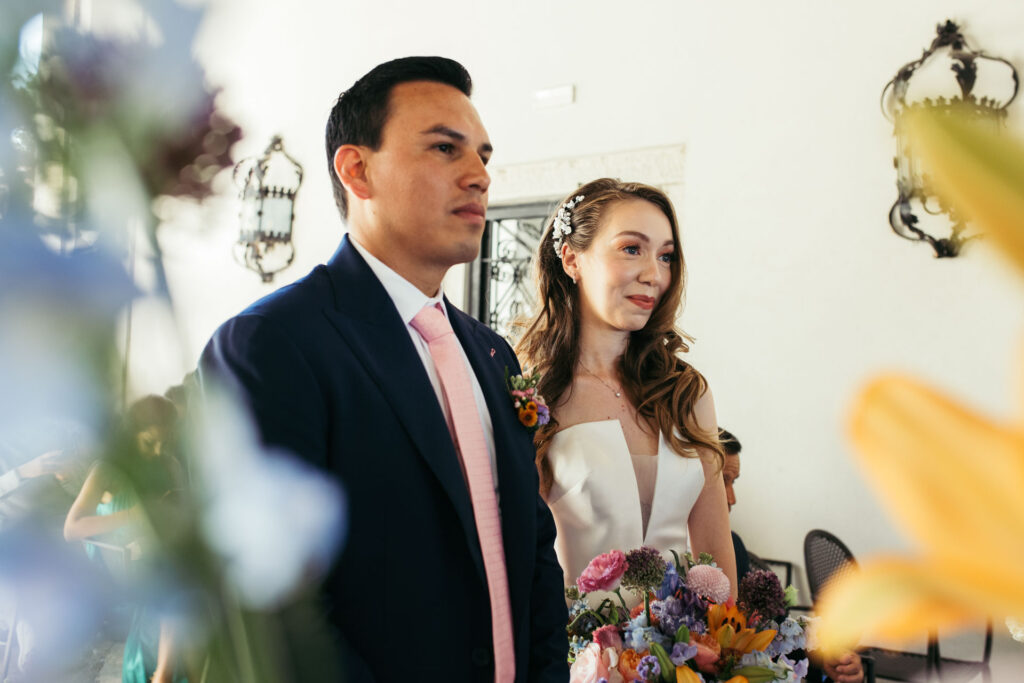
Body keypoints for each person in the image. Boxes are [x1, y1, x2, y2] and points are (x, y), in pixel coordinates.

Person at [199, 56, 567, 682]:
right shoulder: (271, 344)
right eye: (445, 148)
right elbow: (275, 611)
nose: (479, 175)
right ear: (357, 169)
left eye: (482, 154)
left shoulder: (493, 355)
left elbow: (532, 553)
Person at [516, 178, 736, 602]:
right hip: (571, 654)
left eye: (666, 256)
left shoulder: (687, 394)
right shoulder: (533, 397)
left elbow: (716, 562)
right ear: (571, 259)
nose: (654, 275)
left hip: (684, 657)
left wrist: (730, 656)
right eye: (631, 248)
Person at [717, 428, 864, 683]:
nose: (732, 499)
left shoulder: (734, 545)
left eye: (734, 481)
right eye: (723, 481)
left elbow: (774, 628)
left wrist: (825, 658)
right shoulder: (670, 560)